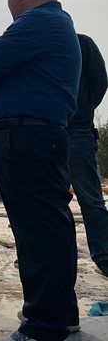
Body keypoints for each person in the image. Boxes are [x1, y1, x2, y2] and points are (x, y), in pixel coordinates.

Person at [0, 0, 81, 341]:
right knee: (46, 226)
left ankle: (43, 324)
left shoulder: (38, 22)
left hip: (29, 137)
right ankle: (60, 312)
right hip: (36, 136)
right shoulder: (55, 24)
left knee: (38, 231)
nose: (8, 2)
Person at [68, 33, 108, 277]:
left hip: (78, 129)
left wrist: (82, 108)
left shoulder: (82, 44)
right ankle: (48, 253)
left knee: (91, 198)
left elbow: (100, 82)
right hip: (47, 129)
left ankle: (104, 254)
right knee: (47, 199)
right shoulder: (39, 42)